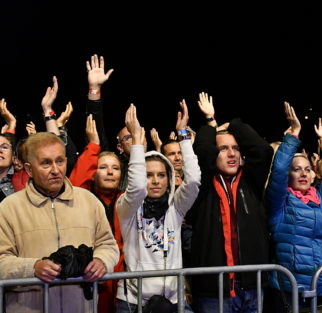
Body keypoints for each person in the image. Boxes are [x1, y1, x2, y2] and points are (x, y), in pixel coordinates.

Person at [0, 132, 119, 313]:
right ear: (29, 169)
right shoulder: (8, 208)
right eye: (46, 163)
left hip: (81, 307)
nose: (56, 170)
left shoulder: (89, 201)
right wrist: (32, 268)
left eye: (60, 161)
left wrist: (102, 261)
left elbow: (108, 245)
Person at [189, 92, 273, 312]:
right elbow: (202, 152)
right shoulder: (202, 185)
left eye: (236, 148)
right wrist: (210, 123)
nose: (231, 154)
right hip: (214, 292)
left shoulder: (251, 182)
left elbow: (262, 150)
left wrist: (233, 125)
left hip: (252, 288)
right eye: (224, 149)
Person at [115, 102, 200, 312]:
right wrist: (136, 141)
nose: (155, 181)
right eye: (148, 175)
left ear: (169, 178)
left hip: (173, 300)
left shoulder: (176, 208)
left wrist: (183, 135)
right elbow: (134, 189)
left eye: (161, 175)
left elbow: (193, 181)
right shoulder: (127, 207)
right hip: (132, 301)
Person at [265, 101, 322, 313]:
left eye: (307, 169)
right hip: (290, 292)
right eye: (296, 169)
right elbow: (279, 168)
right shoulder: (279, 201)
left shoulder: (320, 197)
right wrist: (294, 134)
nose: (303, 173)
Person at [69, 114, 125, 313]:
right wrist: (93, 147)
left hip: (123, 280)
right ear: (93, 173)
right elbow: (74, 184)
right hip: (93, 277)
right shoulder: (85, 197)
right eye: (103, 167)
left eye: (115, 168)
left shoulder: (126, 199)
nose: (110, 172)